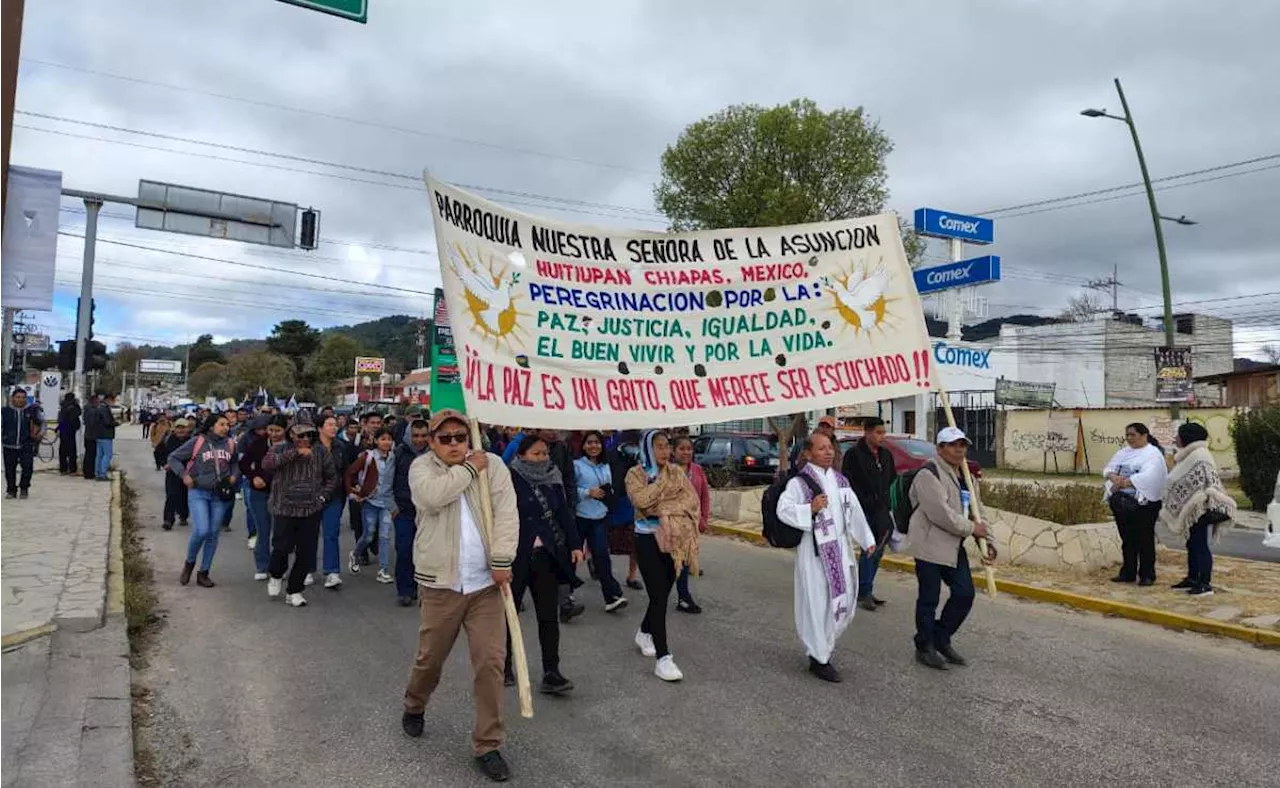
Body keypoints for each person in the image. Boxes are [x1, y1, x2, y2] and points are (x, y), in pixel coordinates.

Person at [401, 409, 518, 783]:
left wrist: (501, 560)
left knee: (491, 663)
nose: (454, 443)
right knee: (429, 659)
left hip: (486, 586)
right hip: (441, 586)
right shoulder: (423, 469)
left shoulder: (495, 465)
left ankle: (488, 744)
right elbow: (431, 498)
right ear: (432, 442)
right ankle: (415, 704)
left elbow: (507, 514)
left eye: (460, 436)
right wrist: (469, 469)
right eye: (445, 438)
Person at [776, 431, 876, 682]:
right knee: (816, 604)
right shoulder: (799, 483)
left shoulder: (841, 481)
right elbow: (783, 510)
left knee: (841, 602)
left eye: (830, 447)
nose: (828, 452)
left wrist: (867, 540)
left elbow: (853, 511)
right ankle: (819, 657)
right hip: (814, 554)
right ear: (808, 453)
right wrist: (809, 508)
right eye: (821, 449)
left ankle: (824, 648)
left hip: (840, 552)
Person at [906, 427, 994, 671]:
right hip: (929, 544)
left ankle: (940, 638)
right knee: (929, 599)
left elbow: (979, 512)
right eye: (953, 445)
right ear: (940, 448)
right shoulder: (928, 474)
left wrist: (989, 542)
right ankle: (924, 646)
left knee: (965, 594)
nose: (959, 450)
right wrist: (972, 529)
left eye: (963, 445)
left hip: (953, 546)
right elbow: (940, 514)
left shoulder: (967, 475)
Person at [505, 434, 583, 694]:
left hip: (547, 556)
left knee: (548, 617)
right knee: (509, 614)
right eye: (537, 454)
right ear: (522, 454)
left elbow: (563, 513)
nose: (543, 458)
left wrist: (574, 544)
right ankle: (503, 666)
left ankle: (552, 671)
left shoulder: (553, 477)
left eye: (545, 453)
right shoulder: (509, 479)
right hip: (515, 556)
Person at [624, 430, 700, 682]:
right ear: (647, 448)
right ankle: (663, 658)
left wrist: (664, 508)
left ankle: (644, 631)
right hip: (646, 538)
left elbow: (690, 501)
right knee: (658, 594)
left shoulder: (677, 472)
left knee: (664, 591)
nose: (665, 452)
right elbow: (641, 501)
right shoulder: (635, 474)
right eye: (658, 447)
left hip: (674, 539)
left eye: (667, 446)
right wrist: (660, 487)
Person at [263, 422, 337, 607]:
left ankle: (294, 590)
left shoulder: (320, 452)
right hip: (284, 507)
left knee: (306, 551)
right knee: (281, 547)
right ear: (291, 435)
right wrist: (295, 453)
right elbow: (267, 464)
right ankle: (276, 575)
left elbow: (332, 477)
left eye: (308, 435)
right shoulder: (280, 448)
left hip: (310, 509)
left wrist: (323, 497)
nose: (305, 439)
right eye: (300, 436)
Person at [1161, 423, 1236, 597]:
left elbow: (1205, 481)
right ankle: (1193, 578)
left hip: (1200, 507)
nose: (1175, 438)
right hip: (1193, 507)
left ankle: (1205, 584)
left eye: (1178, 435)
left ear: (1187, 436)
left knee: (1200, 545)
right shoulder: (1189, 455)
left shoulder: (1199, 455)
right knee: (1192, 543)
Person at [168, 413, 241, 587]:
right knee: (201, 530)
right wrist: (184, 475)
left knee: (213, 534)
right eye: (222, 424)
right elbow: (174, 457)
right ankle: (189, 564)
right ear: (211, 426)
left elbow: (235, 463)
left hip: (219, 495)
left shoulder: (230, 444)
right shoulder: (197, 442)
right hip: (199, 492)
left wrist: (234, 476)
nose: (226, 427)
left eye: (227, 425)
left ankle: (204, 572)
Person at [1103, 422, 1168, 586]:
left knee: (1145, 539)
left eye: (1133, 434)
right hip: (1122, 502)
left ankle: (1147, 574)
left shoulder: (1153, 454)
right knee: (1127, 538)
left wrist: (1128, 482)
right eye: (1128, 435)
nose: (1130, 438)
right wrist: (1113, 477)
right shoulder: (1123, 453)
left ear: (1144, 435)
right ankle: (1128, 572)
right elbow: (1109, 468)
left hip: (1145, 504)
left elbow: (1152, 476)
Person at [843, 417, 897, 612]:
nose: (882, 436)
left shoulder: (885, 455)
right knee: (869, 548)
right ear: (867, 432)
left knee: (879, 549)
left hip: (882, 509)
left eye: (883, 432)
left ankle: (867, 588)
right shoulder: (854, 455)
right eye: (878, 432)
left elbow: (892, 480)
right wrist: (863, 501)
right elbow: (849, 482)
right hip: (863, 509)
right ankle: (863, 590)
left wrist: (889, 503)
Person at [573, 430, 627, 612]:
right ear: (583, 445)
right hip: (580, 517)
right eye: (589, 442)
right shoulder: (576, 465)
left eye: (597, 442)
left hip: (600, 517)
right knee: (572, 557)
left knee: (602, 558)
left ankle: (611, 596)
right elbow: (570, 490)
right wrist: (588, 492)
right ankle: (565, 595)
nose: (593, 446)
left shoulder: (606, 465)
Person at [347, 427, 397, 584]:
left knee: (384, 536)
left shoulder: (394, 457)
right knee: (369, 535)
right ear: (376, 441)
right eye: (383, 439)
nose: (386, 442)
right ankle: (355, 554)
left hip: (387, 503)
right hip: (370, 501)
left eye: (389, 439)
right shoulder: (368, 457)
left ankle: (383, 570)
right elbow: (350, 472)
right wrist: (353, 490)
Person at [240, 415, 287, 581]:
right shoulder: (259, 443)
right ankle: (262, 565)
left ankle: (279, 566)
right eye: (270, 430)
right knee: (263, 530)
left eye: (277, 430)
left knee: (280, 532)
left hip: (283, 494)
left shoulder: (290, 446)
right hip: (259, 493)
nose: (273, 434)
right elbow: (244, 463)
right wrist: (253, 477)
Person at [392, 418, 432, 605]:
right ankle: (405, 590)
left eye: (424, 435)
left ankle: (424, 589)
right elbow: (386, 481)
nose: (419, 440)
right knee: (405, 550)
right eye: (415, 436)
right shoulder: (399, 453)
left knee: (426, 553)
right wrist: (392, 506)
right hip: (404, 511)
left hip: (429, 512)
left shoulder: (435, 454)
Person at [671, 435, 710, 614]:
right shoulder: (667, 471)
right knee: (675, 561)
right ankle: (679, 596)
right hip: (673, 524)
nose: (686, 452)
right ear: (674, 451)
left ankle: (683, 597)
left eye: (689, 448)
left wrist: (703, 519)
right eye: (682, 448)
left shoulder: (698, 469)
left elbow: (704, 496)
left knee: (685, 561)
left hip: (692, 524)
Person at [607, 429, 643, 590]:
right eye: (631, 444)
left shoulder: (641, 458)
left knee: (634, 543)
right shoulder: (611, 455)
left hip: (634, 503)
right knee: (607, 541)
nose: (633, 447)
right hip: (614, 502)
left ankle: (632, 576)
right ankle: (598, 566)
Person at [315, 415, 348, 590]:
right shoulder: (312, 446)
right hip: (312, 496)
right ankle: (307, 569)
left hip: (334, 496)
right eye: (329, 425)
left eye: (335, 425)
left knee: (331, 533)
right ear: (320, 428)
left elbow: (345, 471)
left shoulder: (340, 446)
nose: (334, 428)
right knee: (309, 535)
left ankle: (332, 571)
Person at [2, 389, 42, 499]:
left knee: (27, 468)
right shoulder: (4, 411)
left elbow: (42, 423)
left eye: (23, 397)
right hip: (9, 445)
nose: (20, 400)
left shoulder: (32, 411)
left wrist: (38, 435)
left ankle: (24, 488)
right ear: (12, 398)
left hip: (26, 445)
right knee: (9, 470)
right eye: (18, 397)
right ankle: (11, 490)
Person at [156, 418, 192, 529]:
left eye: (183, 428)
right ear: (174, 429)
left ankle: (183, 515)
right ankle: (168, 520)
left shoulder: (193, 441)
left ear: (188, 429)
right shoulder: (168, 440)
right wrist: (163, 464)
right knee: (171, 495)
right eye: (178, 428)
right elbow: (158, 452)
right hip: (172, 473)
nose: (181, 430)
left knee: (184, 496)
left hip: (187, 473)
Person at [93, 393, 118, 481]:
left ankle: (97, 473)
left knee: (99, 455)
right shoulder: (104, 409)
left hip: (99, 435)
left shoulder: (99, 407)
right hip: (105, 435)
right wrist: (116, 423)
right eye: (113, 400)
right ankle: (102, 474)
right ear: (108, 400)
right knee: (108, 454)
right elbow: (107, 422)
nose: (114, 402)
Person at [58, 392, 81, 476]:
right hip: (70, 430)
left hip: (63, 429)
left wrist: (60, 429)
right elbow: (77, 415)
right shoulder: (73, 406)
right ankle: (72, 469)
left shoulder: (63, 406)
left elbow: (61, 419)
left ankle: (63, 469)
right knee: (72, 451)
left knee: (62, 451)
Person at [81, 394, 99, 480]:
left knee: (88, 454)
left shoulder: (87, 409)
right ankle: (89, 473)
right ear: (94, 401)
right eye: (97, 400)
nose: (98, 402)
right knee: (91, 455)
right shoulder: (92, 411)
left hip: (87, 434)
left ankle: (87, 472)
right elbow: (92, 423)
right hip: (92, 435)